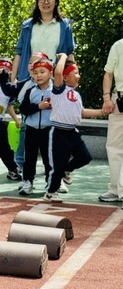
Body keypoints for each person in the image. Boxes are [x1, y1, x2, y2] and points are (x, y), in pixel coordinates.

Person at [11, 0, 75, 173]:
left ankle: (59, 168)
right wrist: (13, 78)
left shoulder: (64, 25)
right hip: (30, 78)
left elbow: (69, 53)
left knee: (58, 123)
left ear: (56, 2)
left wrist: (72, 79)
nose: (46, 2)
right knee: (27, 122)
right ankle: (20, 164)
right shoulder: (27, 25)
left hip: (56, 80)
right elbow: (18, 52)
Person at [43, 53, 104, 203]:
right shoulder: (59, 90)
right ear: (64, 78)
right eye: (75, 72)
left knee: (85, 157)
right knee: (56, 167)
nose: (78, 75)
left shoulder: (76, 94)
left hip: (72, 132)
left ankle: (67, 170)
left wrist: (102, 112)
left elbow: (82, 112)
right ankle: (50, 192)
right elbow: (57, 72)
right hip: (58, 133)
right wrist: (63, 57)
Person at [14, 55, 53, 196]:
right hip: (32, 129)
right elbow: (23, 109)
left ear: (51, 73)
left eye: (42, 72)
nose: (38, 76)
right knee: (29, 158)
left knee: (49, 158)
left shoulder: (55, 91)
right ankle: (28, 182)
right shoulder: (31, 91)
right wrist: (38, 106)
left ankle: (51, 184)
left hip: (48, 130)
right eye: (35, 73)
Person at [100, 38, 123, 203]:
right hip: (118, 98)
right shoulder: (118, 45)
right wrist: (107, 97)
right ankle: (115, 188)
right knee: (113, 146)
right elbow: (108, 73)